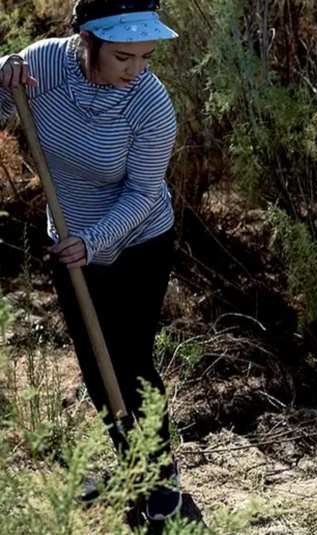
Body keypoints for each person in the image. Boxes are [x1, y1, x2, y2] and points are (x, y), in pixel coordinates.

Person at [0, 0, 181, 520]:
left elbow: (145, 191)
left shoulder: (151, 103)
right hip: (70, 241)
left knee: (131, 361)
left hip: (139, 240)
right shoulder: (45, 66)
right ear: (88, 40)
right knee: (96, 367)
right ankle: (130, 469)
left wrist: (95, 241)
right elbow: (1, 111)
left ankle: (159, 472)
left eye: (146, 57)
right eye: (123, 57)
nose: (136, 71)